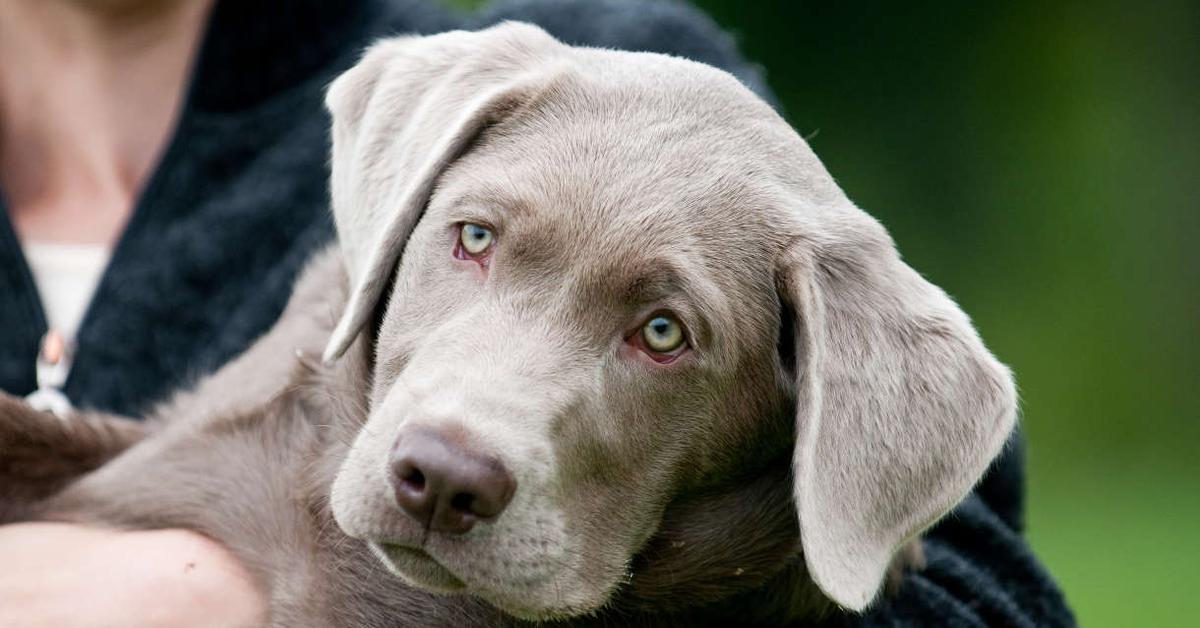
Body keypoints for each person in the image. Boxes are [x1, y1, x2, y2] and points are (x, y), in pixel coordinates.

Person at [0, 0, 1073, 625]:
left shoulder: (623, 82)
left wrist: (192, 593)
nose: (461, 443)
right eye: (472, 241)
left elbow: (984, 602)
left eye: (663, 331)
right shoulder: (439, 125)